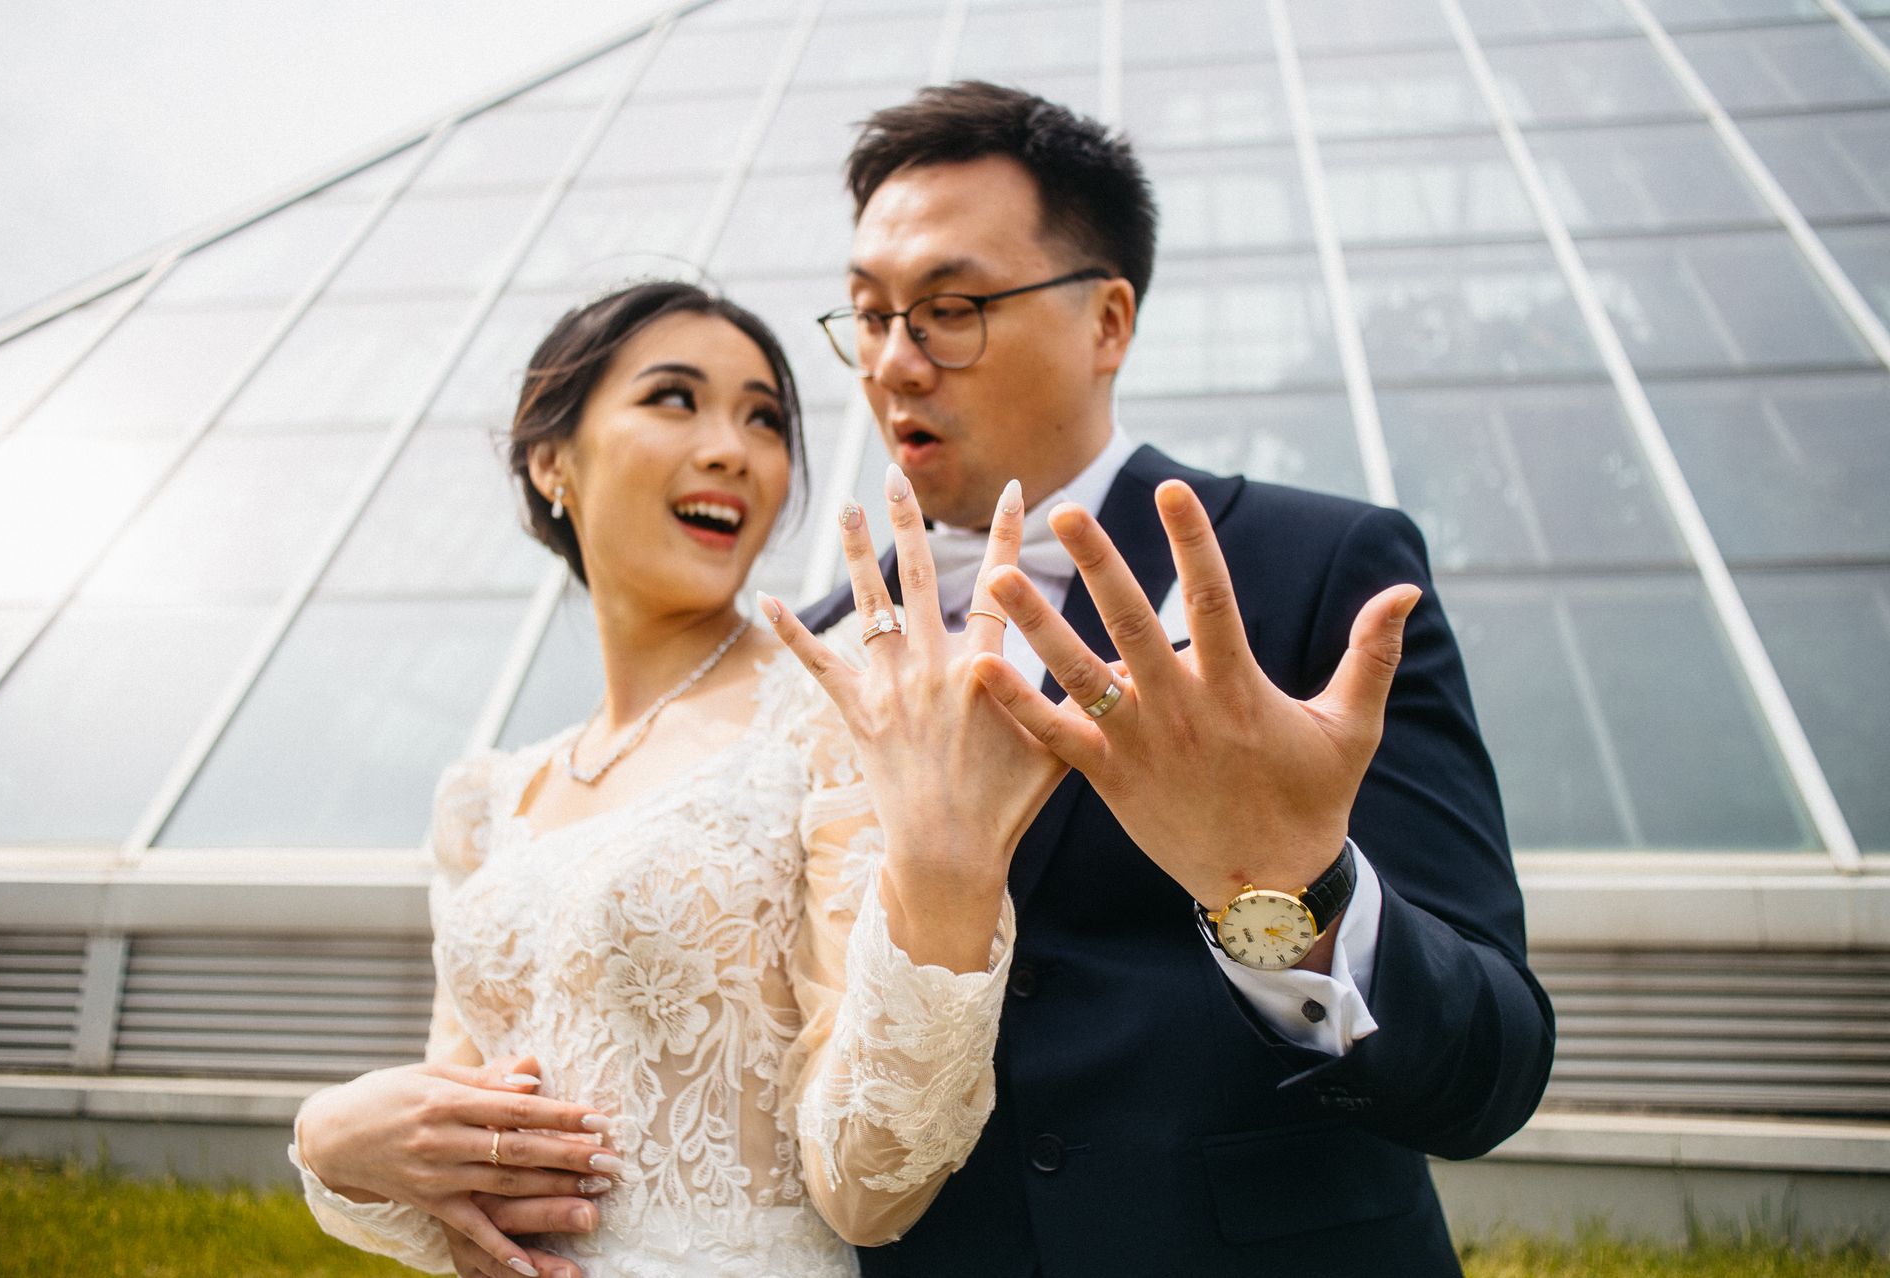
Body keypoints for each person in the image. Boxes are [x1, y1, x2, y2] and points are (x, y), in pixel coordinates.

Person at [480, 81, 1555, 1276]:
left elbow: (1491, 1070)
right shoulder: (821, 650)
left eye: (948, 309)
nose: (893, 365)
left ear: (1108, 321)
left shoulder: (1313, 569)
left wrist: (1289, 894)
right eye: (867, 317)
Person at [287, 280, 1067, 1278]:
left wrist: (951, 879)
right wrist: (330, 1137)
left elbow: (872, 1183)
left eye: (764, 418)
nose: (731, 449)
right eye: (674, 399)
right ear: (550, 460)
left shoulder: (837, 716)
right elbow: (460, 1155)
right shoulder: (484, 800)